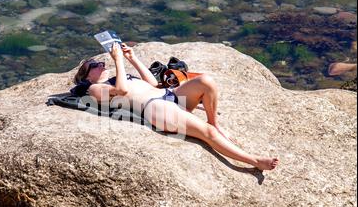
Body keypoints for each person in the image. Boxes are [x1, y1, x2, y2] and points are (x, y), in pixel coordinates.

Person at [71, 42, 279, 171]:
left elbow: (153, 84)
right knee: (205, 133)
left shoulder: (121, 76)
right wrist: (119, 61)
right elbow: (122, 91)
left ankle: (214, 122)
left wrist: (132, 59)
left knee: (207, 81)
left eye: (99, 62)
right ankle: (254, 160)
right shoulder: (94, 89)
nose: (100, 64)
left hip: (167, 95)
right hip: (156, 108)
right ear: (86, 76)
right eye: (94, 65)